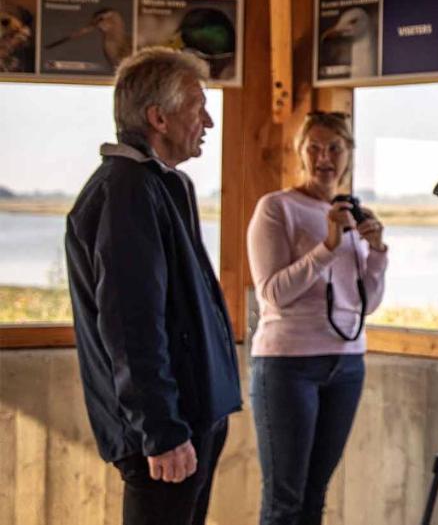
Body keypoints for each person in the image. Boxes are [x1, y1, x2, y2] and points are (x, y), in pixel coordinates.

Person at [65, 48, 241, 525]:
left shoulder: (162, 185)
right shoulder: (126, 191)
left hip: (189, 416)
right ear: (158, 117)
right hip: (166, 430)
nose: (207, 121)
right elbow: (132, 324)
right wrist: (161, 430)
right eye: (197, 107)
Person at [246, 111, 389, 524]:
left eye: (334, 148)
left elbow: (366, 304)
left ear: (348, 155)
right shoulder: (276, 208)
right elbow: (273, 294)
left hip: (347, 364)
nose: (324, 157)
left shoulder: (352, 215)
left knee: (315, 497)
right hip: (288, 365)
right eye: (315, 147)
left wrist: (377, 252)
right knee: (284, 500)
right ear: (300, 154)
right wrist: (327, 246)